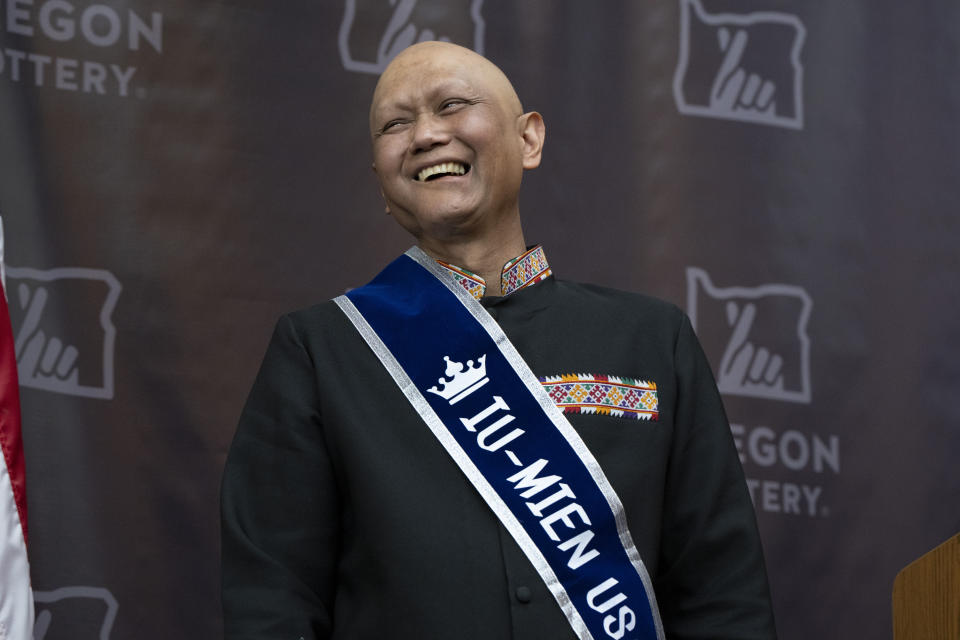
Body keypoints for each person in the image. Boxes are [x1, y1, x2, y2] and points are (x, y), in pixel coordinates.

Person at [221, 41, 776, 639]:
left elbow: (723, 596)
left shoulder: (651, 339)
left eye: (452, 105)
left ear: (529, 140)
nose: (426, 135)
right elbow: (272, 601)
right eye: (395, 124)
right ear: (382, 183)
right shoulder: (320, 349)